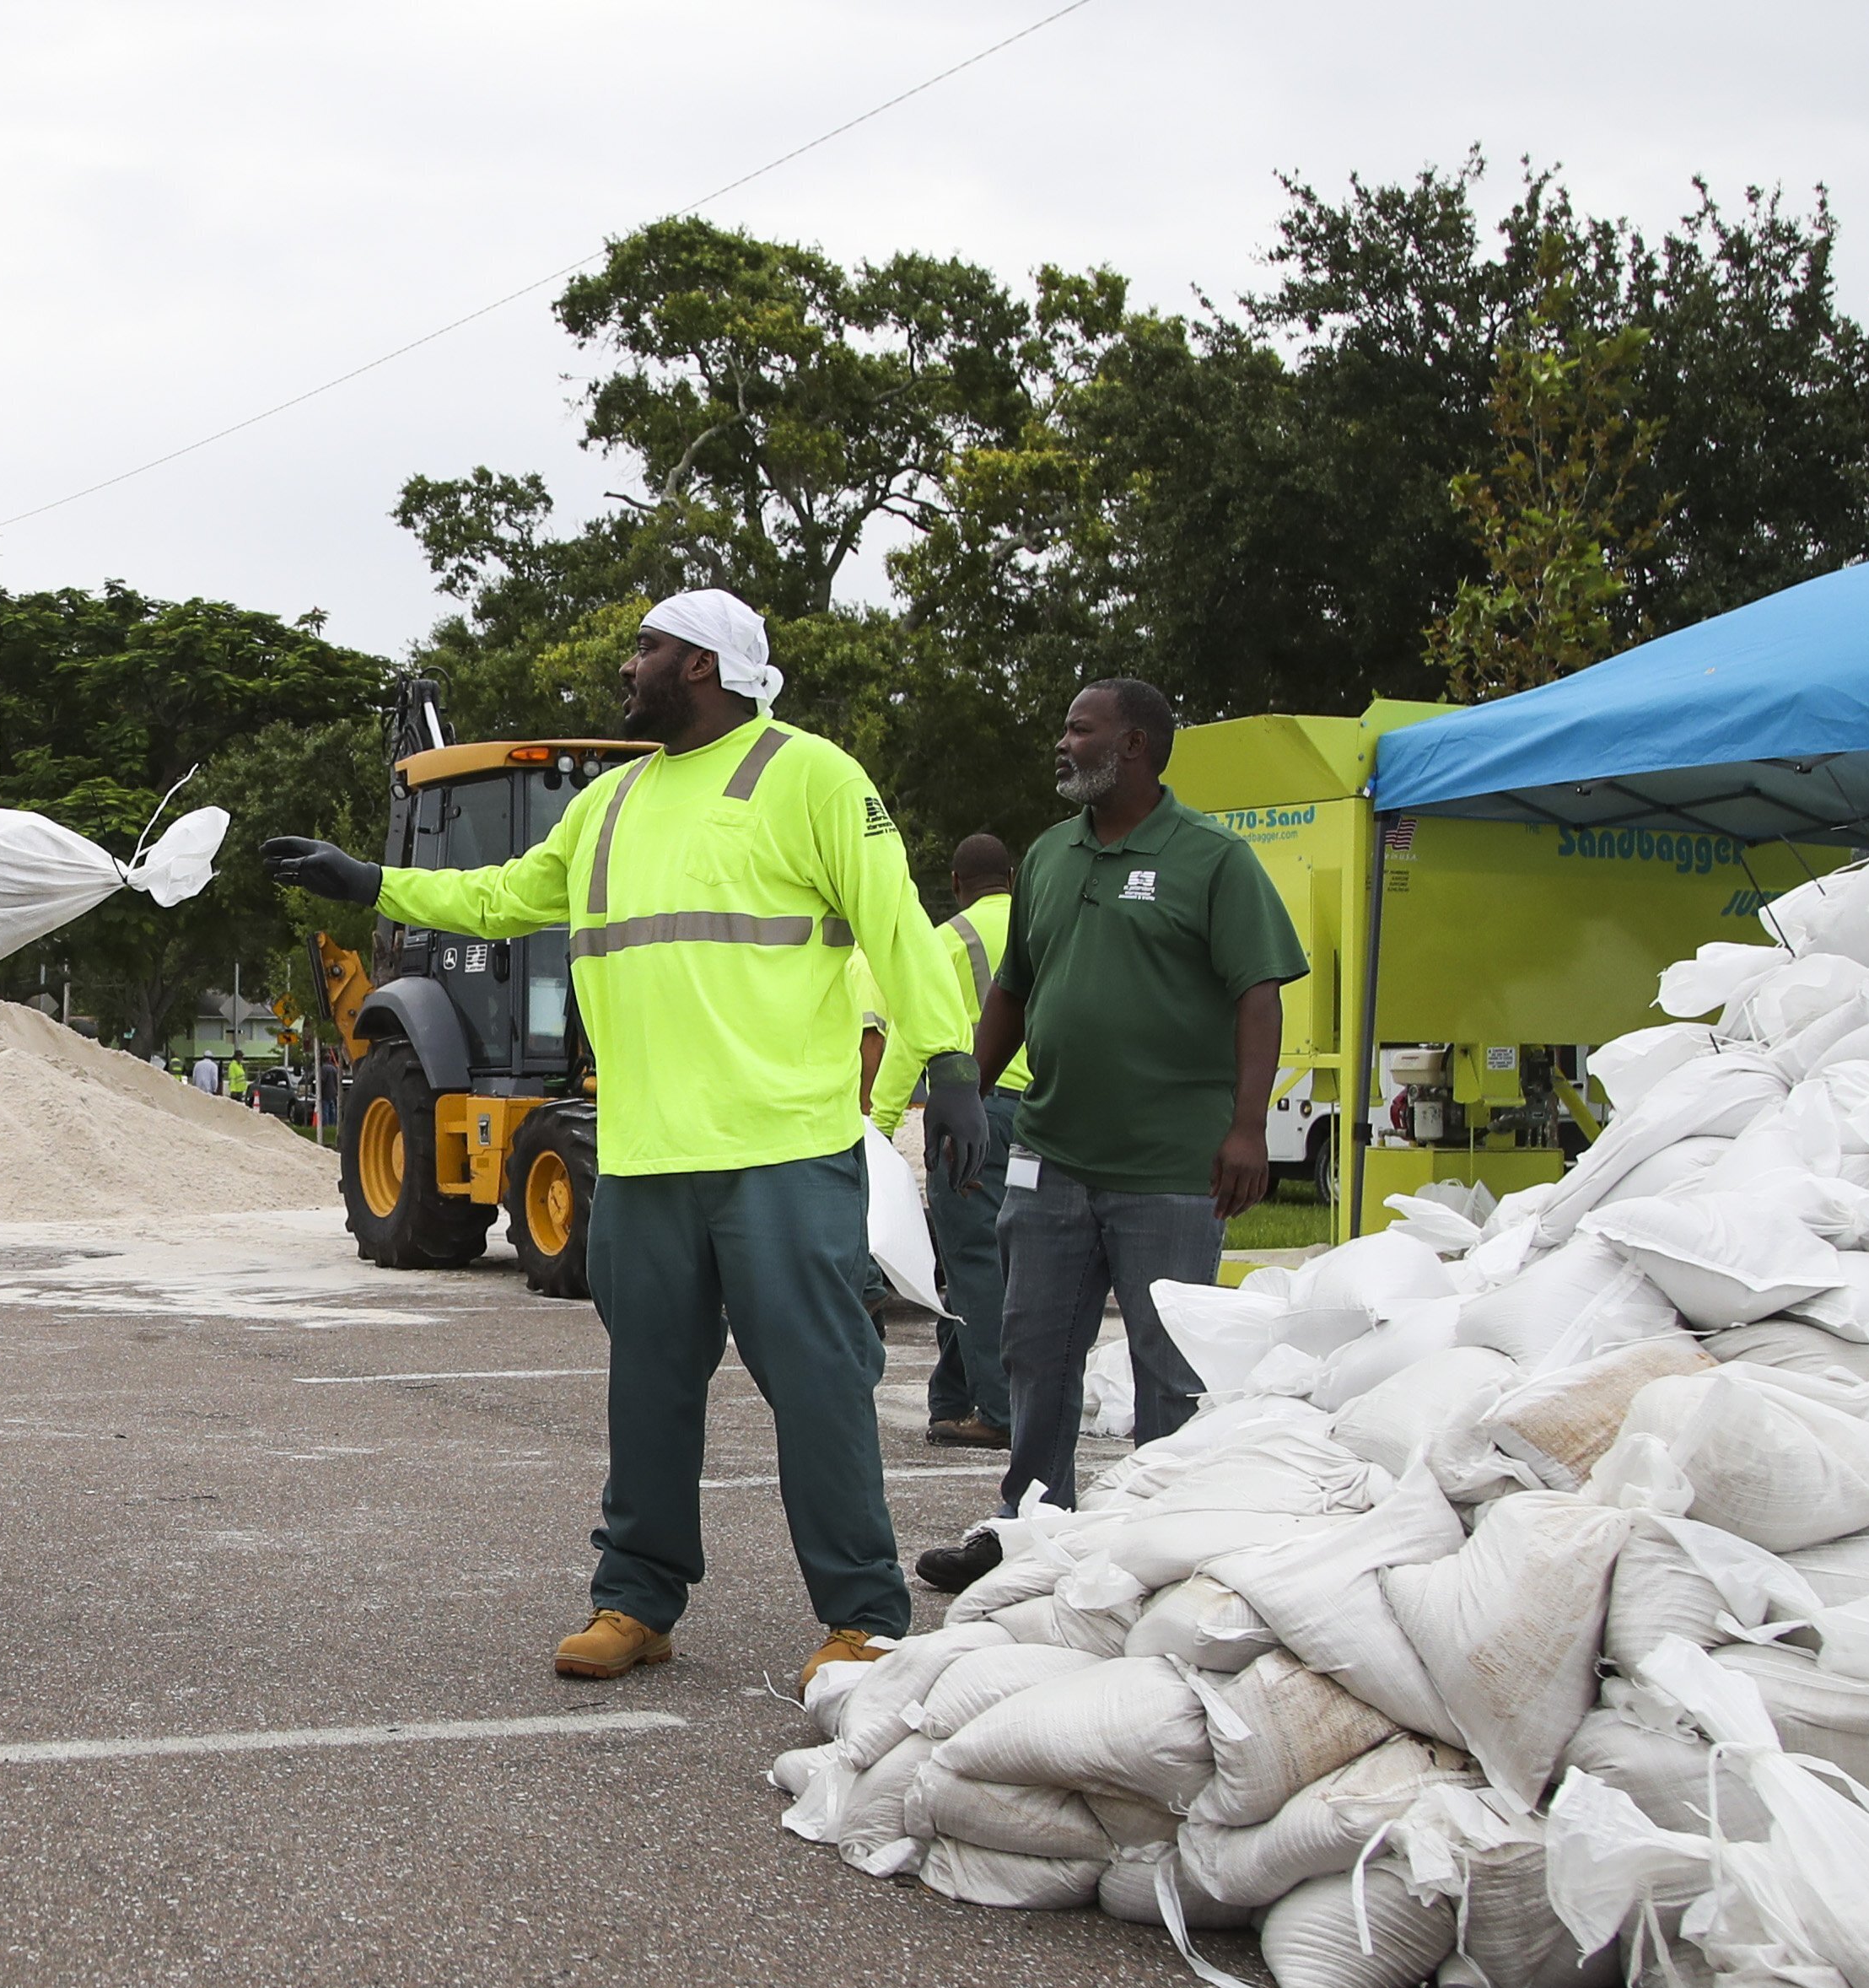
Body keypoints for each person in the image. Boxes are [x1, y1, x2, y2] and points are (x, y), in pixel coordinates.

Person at [263, 590, 985, 1694]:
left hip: (779, 1152)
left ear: (700, 664)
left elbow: (898, 923)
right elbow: (505, 898)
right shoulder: (608, 804)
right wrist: (371, 882)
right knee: (647, 1392)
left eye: (645, 649)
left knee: (819, 1386)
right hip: (644, 1158)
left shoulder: (813, 777)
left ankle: (862, 1618)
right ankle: (635, 1600)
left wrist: (950, 1064)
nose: (627, 668)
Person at [913, 680, 1306, 1598]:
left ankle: (1158, 1544)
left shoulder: (1212, 859)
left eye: (1078, 729)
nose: (1061, 742)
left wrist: (1248, 1128)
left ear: (1132, 745)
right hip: (1050, 1153)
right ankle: (1028, 1527)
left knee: (1167, 1369)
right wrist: (964, 1087)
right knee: (1033, 1352)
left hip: (1170, 1168)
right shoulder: (1049, 856)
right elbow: (1011, 988)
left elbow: (1258, 993)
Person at [918, 833, 1029, 1450]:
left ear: (956, 883)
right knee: (1010, 1262)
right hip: (1046, 1114)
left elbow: (918, 1035)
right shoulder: (1049, 920)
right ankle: (953, 1398)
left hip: (975, 1114)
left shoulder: (945, 940)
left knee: (973, 1264)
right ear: (1011, 876)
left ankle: (999, 1410)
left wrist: (880, 1125)